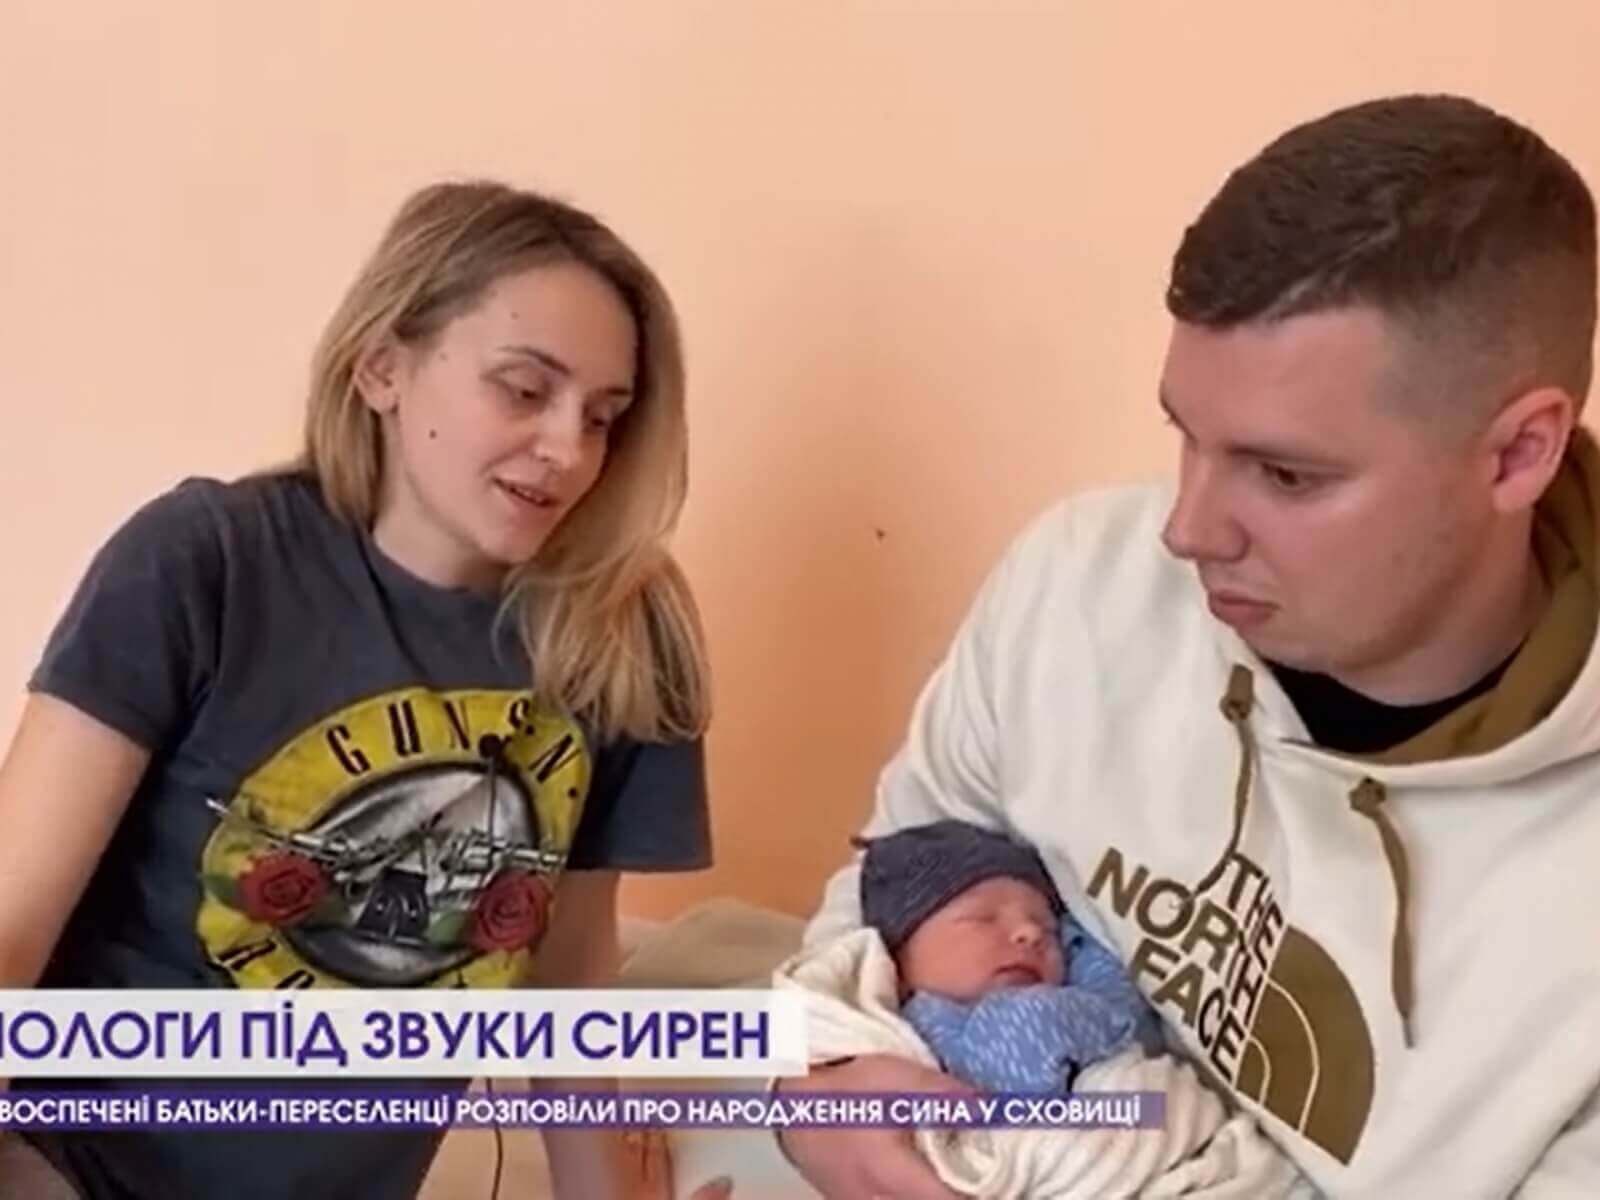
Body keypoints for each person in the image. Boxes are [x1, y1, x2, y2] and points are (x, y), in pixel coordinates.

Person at [777, 93, 1600, 1198]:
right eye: (1185, 437)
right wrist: (815, 1078)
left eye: (1286, 474)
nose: (1187, 530)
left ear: (1517, 454)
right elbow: (893, 882)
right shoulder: (1079, 584)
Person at [0, 180, 729, 1199]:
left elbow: (567, 977)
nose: (568, 450)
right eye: (525, 391)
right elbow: (13, 921)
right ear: (383, 366)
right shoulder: (205, 560)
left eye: (603, 417)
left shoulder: (622, 639)